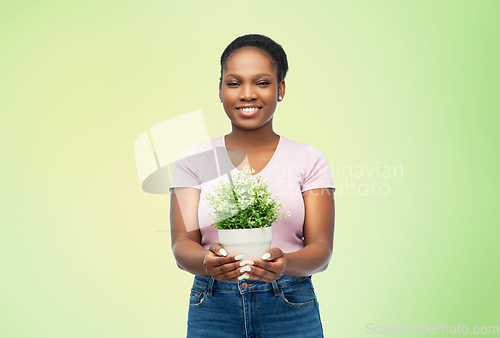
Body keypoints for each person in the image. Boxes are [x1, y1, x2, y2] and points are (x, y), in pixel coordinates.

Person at [169, 34, 335, 338]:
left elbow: (321, 250)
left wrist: (283, 265)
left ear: (280, 89)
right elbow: (182, 244)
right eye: (234, 83)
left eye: (262, 82)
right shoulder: (194, 160)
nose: (247, 94)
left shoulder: (309, 159)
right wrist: (208, 262)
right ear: (220, 90)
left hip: (289, 305)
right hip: (213, 305)